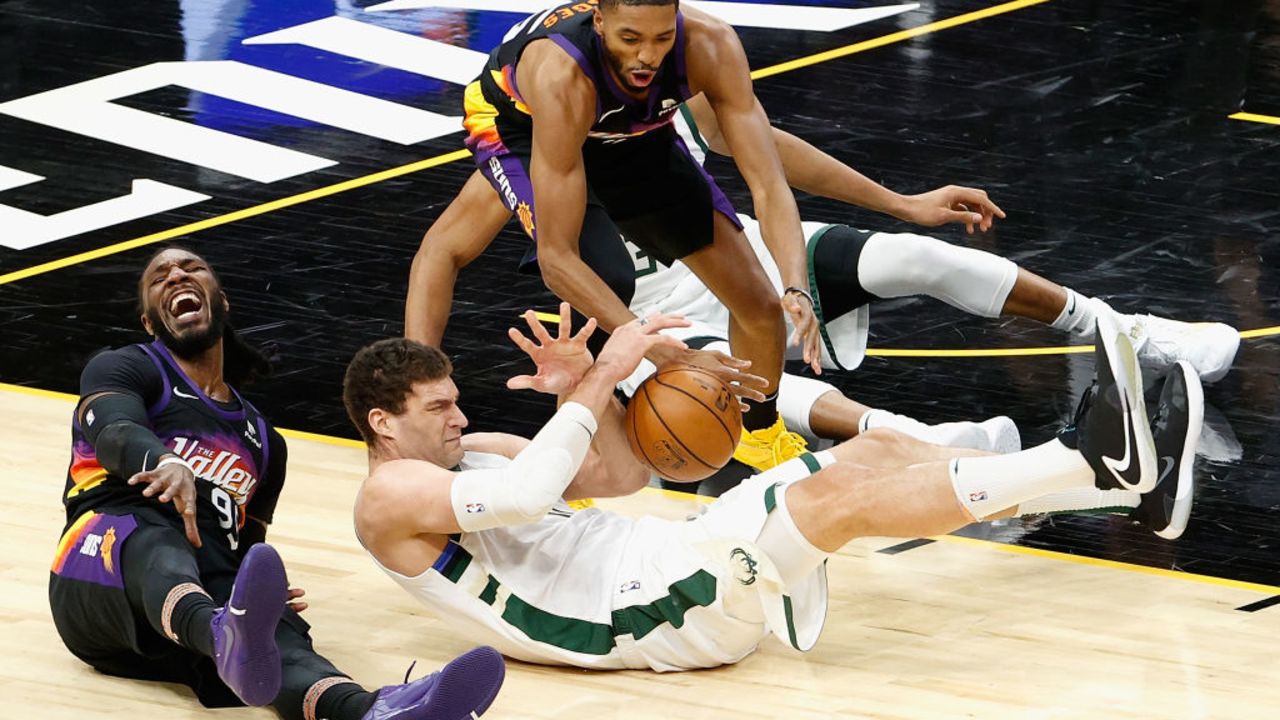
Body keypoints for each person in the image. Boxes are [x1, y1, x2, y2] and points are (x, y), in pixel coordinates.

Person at [345, 305, 1202, 671]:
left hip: (658, 560)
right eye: (438, 408)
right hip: (632, 617)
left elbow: (618, 474)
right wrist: (604, 372)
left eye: (457, 401)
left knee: (876, 456)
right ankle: (1091, 461)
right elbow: (532, 498)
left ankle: (1123, 490)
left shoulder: (480, 453)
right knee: (834, 502)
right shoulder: (389, 499)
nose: (459, 419)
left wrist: (583, 394)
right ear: (385, 424)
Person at [406, 100, 1237, 464]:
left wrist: (900, 203)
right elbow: (437, 253)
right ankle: (919, 442)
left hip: (739, 262)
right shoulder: (514, 168)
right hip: (653, 321)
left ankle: (1128, 329)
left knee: (919, 257)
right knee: (743, 386)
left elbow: (768, 148)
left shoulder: (651, 108)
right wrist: (415, 377)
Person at [49, 247, 506, 720]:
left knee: (278, 638)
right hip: (94, 577)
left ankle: (371, 711)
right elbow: (114, 430)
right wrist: (162, 459)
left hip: (176, 622)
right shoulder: (126, 367)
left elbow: (244, 551)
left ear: (222, 302)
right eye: (159, 276)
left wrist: (262, 596)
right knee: (152, 538)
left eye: (192, 268)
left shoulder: (265, 442)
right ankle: (222, 633)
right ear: (149, 323)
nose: (176, 275)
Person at [454, 0, 829, 471]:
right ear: (600, 22)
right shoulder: (561, 74)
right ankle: (577, 462)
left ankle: (759, 433)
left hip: (628, 130)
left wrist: (794, 283)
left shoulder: (709, 44)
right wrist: (654, 351)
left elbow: (768, 183)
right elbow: (556, 259)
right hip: (522, 126)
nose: (648, 56)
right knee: (602, 276)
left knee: (760, 306)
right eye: (630, 39)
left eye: (661, 39)